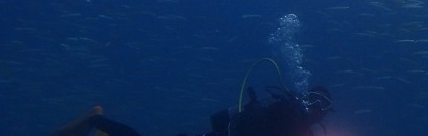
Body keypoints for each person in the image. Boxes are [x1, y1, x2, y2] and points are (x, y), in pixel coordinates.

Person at [50, 85, 332, 136]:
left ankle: (98, 122)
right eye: (320, 105)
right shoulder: (287, 115)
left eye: (323, 108)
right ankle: (96, 119)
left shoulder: (287, 115)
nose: (319, 112)